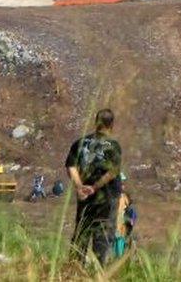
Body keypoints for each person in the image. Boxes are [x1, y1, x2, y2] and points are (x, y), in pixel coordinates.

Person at [65, 109, 122, 264]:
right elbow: (112, 172)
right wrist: (95, 187)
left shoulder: (80, 143)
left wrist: (80, 187)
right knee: (102, 234)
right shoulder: (113, 146)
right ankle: (99, 272)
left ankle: (74, 269)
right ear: (112, 125)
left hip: (85, 197)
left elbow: (71, 167)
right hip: (106, 197)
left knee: (81, 231)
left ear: (96, 122)